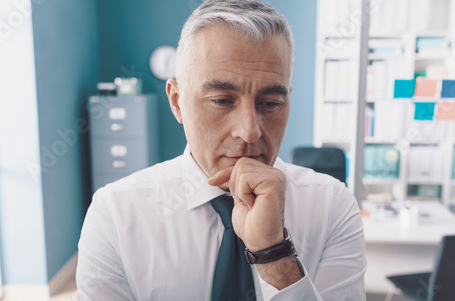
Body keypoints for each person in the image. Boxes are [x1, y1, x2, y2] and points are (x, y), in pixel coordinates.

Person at [76, 0, 366, 300]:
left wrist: (275, 255)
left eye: (270, 104)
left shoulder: (333, 207)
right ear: (177, 102)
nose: (249, 131)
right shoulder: (115, 215)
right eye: (222, 100)